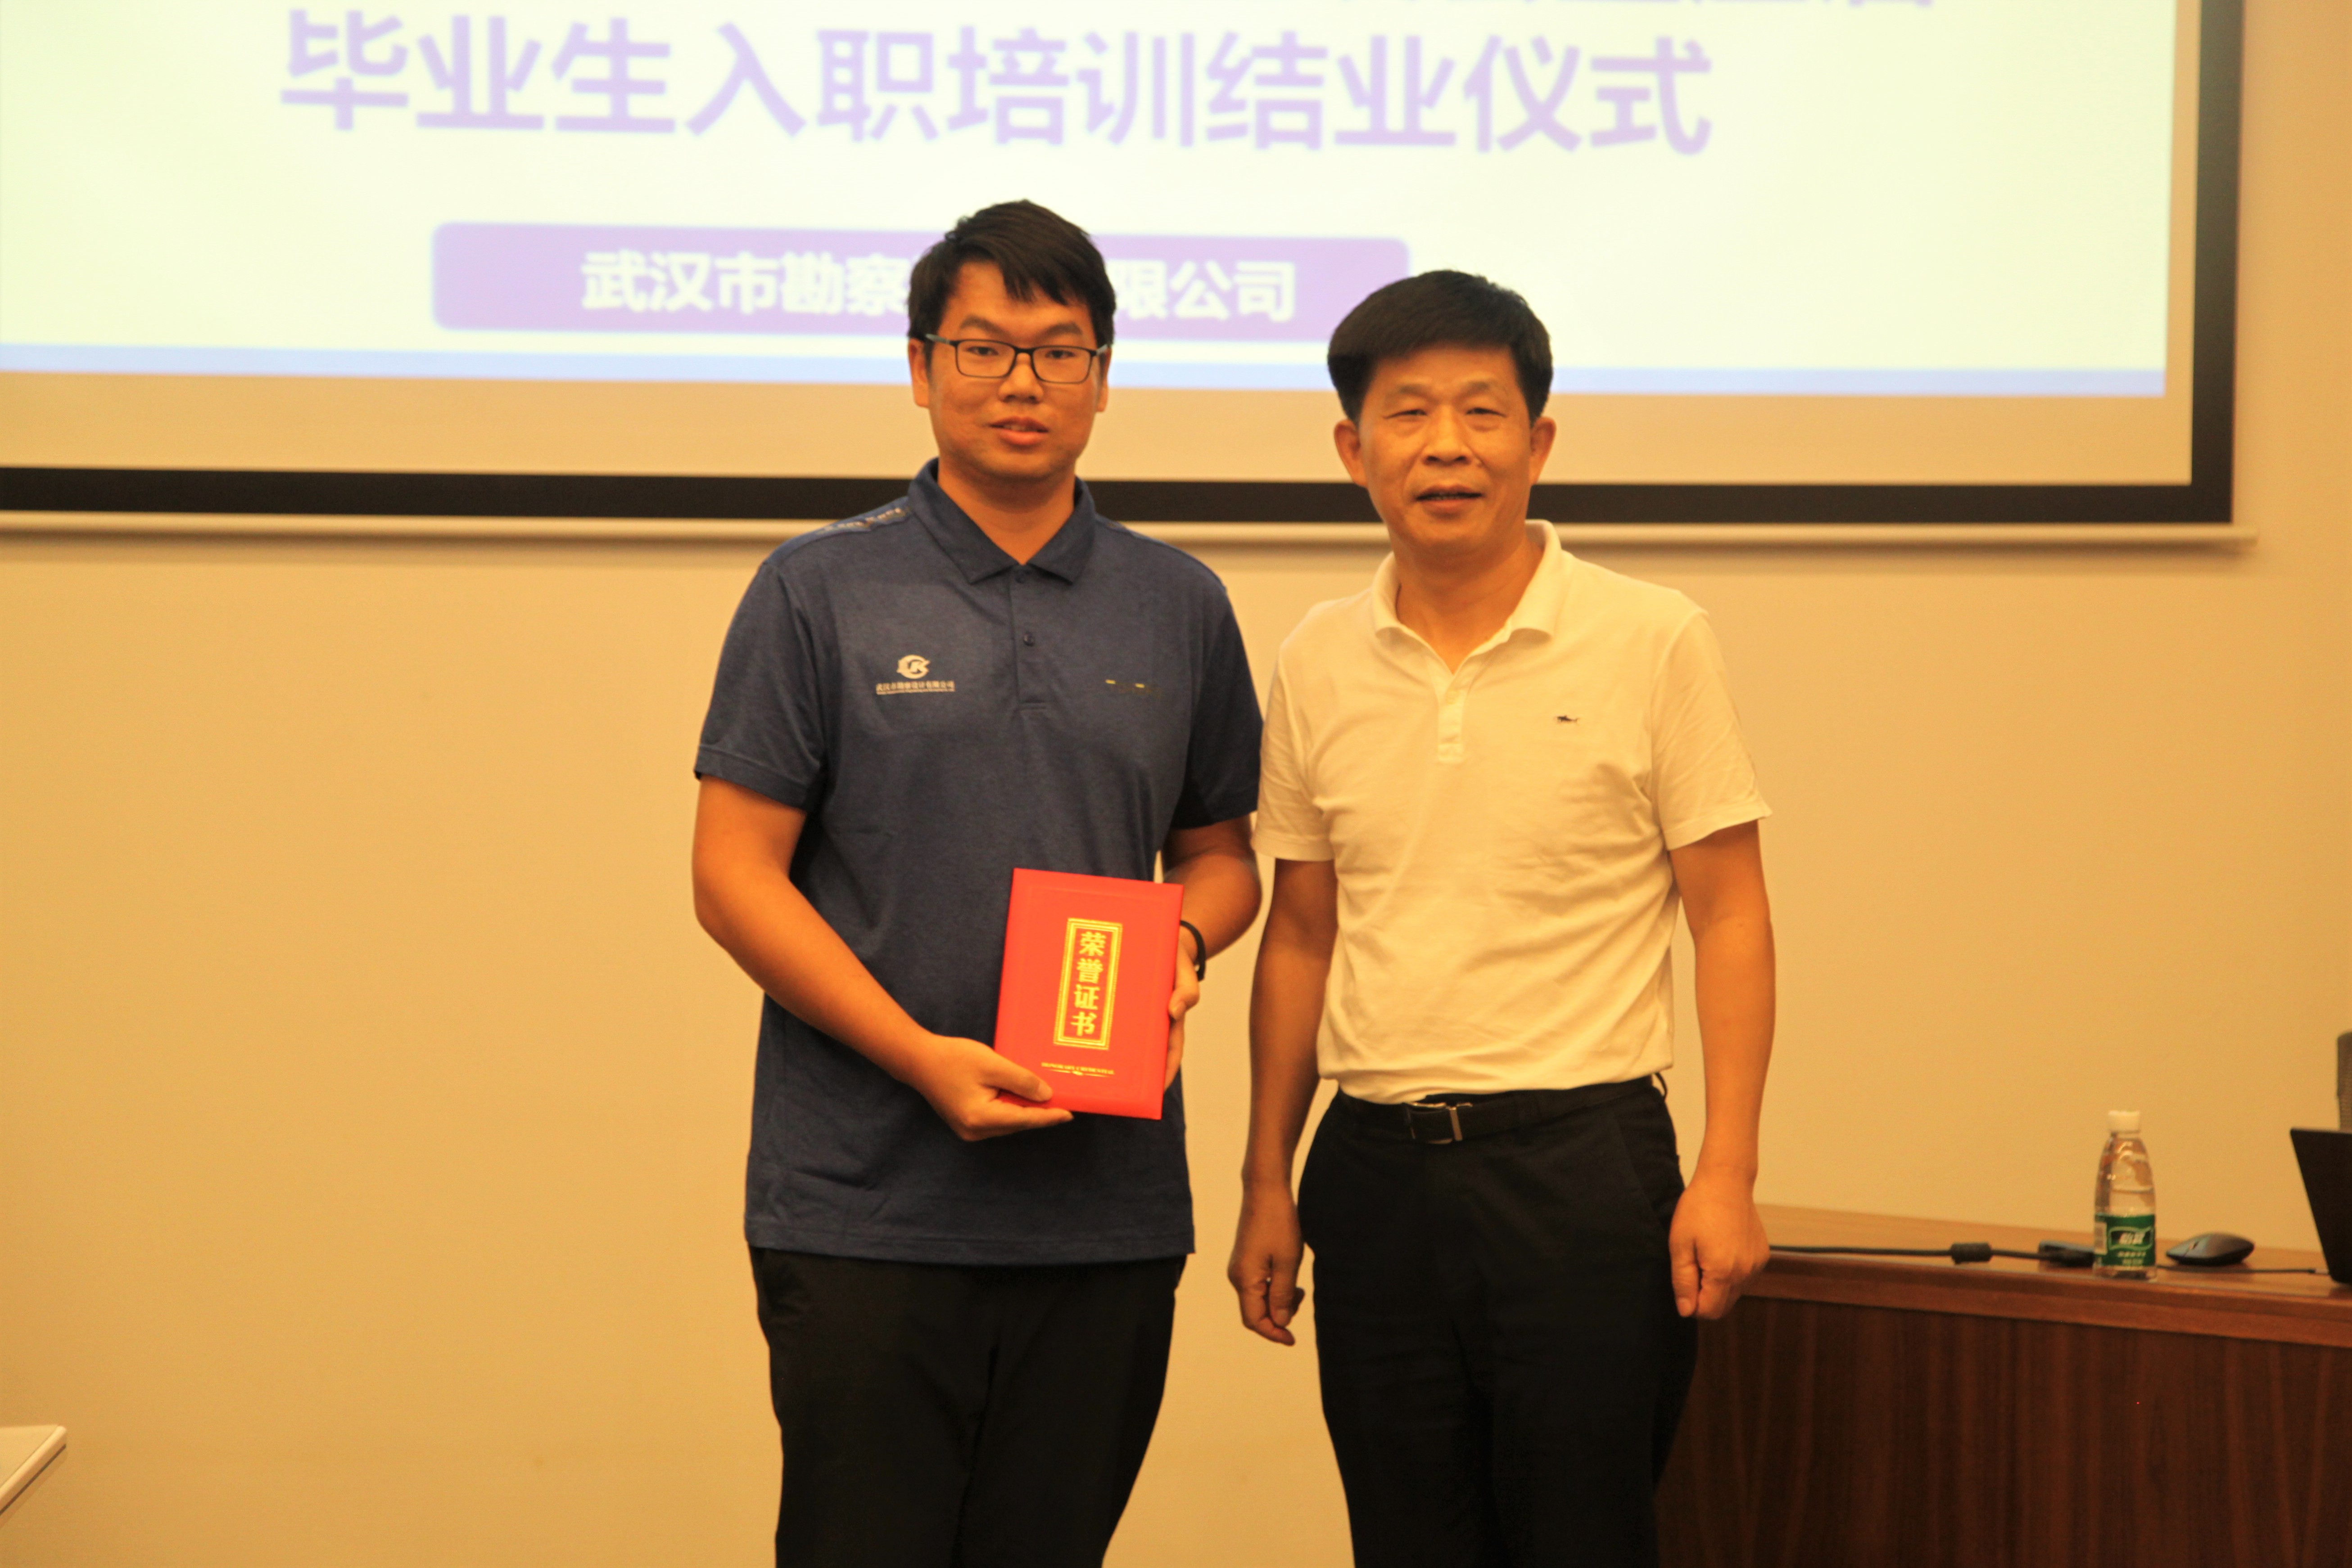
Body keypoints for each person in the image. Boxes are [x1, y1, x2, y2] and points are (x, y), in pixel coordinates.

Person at [692, 200, 1263, 1568]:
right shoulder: (817, 589)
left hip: (1105, 1208)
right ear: (920, 366)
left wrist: (1182, 945)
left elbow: (1221, 858)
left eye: (1059, 352)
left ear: (1103, 379)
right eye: (984, 347)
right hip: (868, 1202)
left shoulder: (1178, 603)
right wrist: (920, 1056)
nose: (1022, 382)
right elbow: (731, 875)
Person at [1226, 271, 1775, 1568]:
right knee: (1405, 1539)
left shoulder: (1650, 637)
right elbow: (1299, 934)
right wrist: (1266, 1179)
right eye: (1408, 413)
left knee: (1586, 1536)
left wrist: (1728, 1171)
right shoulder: (1316, 656)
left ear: (1539, 441)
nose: (1447, 446)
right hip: (1374, 1174)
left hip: (1583, 1168)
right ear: (1353, 449)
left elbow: (1731, 915)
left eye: (1482, 411)